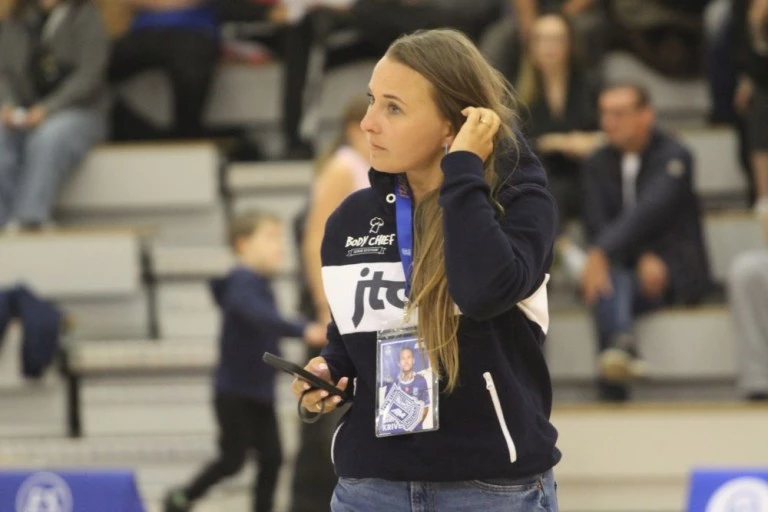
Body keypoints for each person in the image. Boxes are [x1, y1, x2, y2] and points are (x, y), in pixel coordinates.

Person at [291, 28, 560, 511]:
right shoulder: (351, 219)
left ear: (452, 126)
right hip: (370, 488)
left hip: (491, 489)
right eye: (373, 101)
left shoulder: (518, 202)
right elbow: (351, 336)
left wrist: (462, 172)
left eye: (393, 108)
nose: (369, 123)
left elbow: (481, 291)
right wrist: (328, 370)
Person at [164, 211, 327, 512]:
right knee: (233, 459)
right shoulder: (241, 283)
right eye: (268, 237)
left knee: (272, 458)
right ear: (242, 243)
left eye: (279, 237)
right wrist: (303, 329)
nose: (278, 245)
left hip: (258, 391)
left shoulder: (259, 284)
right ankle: (182, 497)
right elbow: (260, 316)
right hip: (235, 392)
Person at [581, 83, 711, 402]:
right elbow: (596, 221)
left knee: (606, 277)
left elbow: (651, 211)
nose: (609, 122)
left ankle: (614, 376)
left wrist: (602, 253)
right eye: (605, 114)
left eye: (619, 114)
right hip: (622, 267)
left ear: (646, 116)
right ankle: (621, 345)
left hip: (674, 268)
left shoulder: (675, 155)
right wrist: (624, 256)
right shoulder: (597, 162)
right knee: (609, 280)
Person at [289, 95, 369, 512]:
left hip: (352, 303)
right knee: (322, 406)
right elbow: (315, 238)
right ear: (355, 127)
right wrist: (324, 308)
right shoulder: (344, 167)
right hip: (332, 302)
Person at [0, 0, 108, 231]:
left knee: (49, 135)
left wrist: (48, 109)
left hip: (77, 111)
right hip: (24, 111)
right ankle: (3, 218)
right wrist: (7, 105)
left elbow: (90, 75)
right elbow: (4, 72)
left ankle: (30, 218)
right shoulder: (16, 19)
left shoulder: (86, 15)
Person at [517, 12, 601, 268]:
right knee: (542, 179)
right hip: (544, 176)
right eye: (541, 39)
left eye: (556, 39)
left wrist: (591, 141)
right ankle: (563, 247)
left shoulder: (589, 84)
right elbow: (513, 145)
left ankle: (596, 253)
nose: (549, 47)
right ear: (531, 46)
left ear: (570, 44)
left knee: (597, 174)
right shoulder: (518, 94)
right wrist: (552, 143)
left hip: (585, 172)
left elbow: (612, 132)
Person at [108, 0, 219, 141]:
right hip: (143, 32)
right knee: (98, 67)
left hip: (194, 31)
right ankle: (135, 129)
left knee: (191, 76)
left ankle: (185, 138)